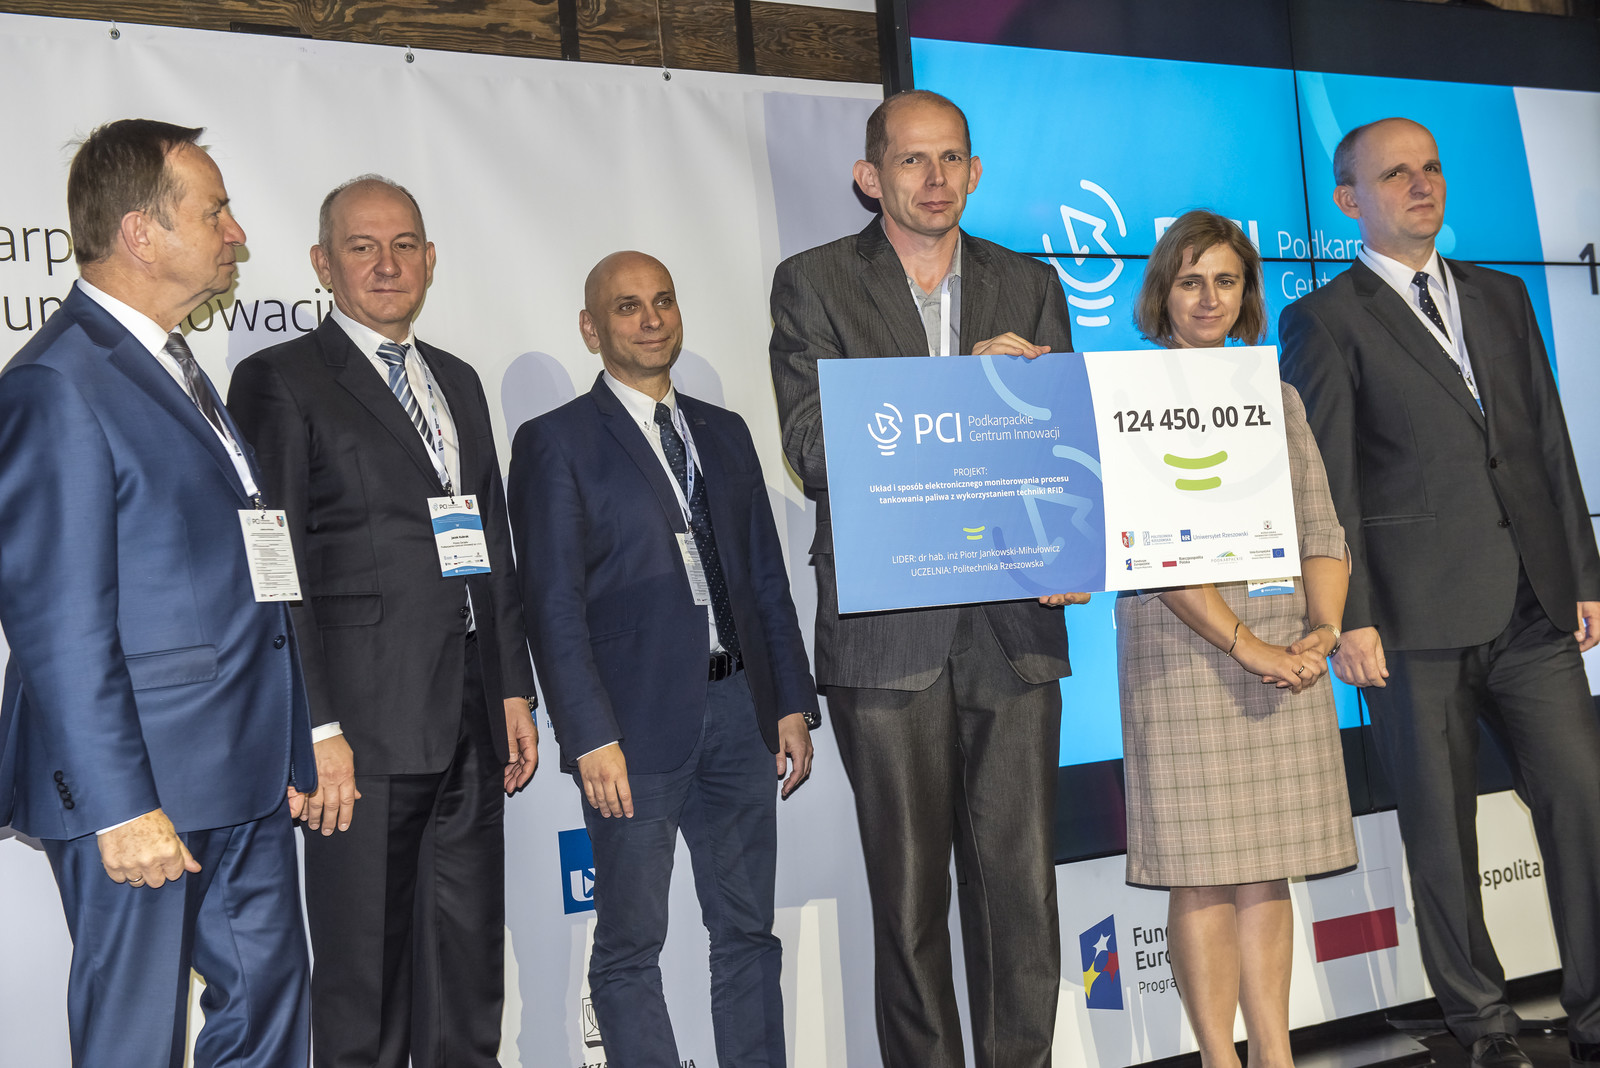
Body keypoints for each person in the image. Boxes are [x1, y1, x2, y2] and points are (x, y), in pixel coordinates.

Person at [769, 89, 1086, 1068]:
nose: (935, 177)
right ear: (870, 177)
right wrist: (960, 390)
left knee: (1021, 890)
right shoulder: (813, 281)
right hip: (886, 631)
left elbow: (1053, 447)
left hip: (1014, 625)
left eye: (951, 158)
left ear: (976, 172)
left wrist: (1068, 544)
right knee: (908, 901)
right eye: (912, 159)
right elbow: (811, 445)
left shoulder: (1028, 282)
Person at [1280, 117, 1600, 1068]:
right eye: (1396, 174)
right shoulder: (1324, 319)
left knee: (1584, 804)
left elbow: (1547, 440)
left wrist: (1584, 572)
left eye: (1430, 167)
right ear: (1349, 200)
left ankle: (1594, 1012)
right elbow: (1326, 483)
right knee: (1441, 835)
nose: (1422, 184)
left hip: (1534, 605)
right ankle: (1484, 1024)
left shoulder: (1502, 295)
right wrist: (1348, 617)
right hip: (1410, 624)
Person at [0, 119, 316, 1066]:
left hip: (242, 770)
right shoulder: (57, 381)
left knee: (269, 1022)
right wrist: (118, 806)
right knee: (134, 1043)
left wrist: (291, 735)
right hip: (143, 792)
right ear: (141, 233)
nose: (236, 233)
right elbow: (57, 620)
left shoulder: (171, 364)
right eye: (215, 211)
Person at [227, 175, 538, 1068]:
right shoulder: (279, 380)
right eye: (361, 247)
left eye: (404, 245)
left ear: (431, 260)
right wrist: (314, 725)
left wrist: (512, 686)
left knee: (468, 976)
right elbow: (273, 568)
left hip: (471, 718)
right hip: (359, 734)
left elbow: (491, 541)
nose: (387, 264)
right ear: (323, 264)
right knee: (365, 987)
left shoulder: (458, 381)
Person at [510, 251, 817, 1068]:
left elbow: (765, 580)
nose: (651, 320)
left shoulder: (724, 431)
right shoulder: (555, 442)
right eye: (627, 306)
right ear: (591, 328)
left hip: (741, 714)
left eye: (663, 301)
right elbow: (552, 606)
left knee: (748, 932)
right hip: (630, 731)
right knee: (630, 946)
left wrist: (790, 700)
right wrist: (588, 736)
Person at [1117, 211, 1356, 1068]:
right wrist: (1249, 647)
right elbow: (1154, 550)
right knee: (1203, 869)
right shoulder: (1132, 396)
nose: (1209, 298)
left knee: (1266, 865)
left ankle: (1274, 1056)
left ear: (1247, 294)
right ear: (1163, 293)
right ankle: (1222, 1059)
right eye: (1190, 281)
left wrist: (1322, 630)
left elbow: (1322, 529)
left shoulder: (1279, 398)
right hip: (1183, 655)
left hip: (1286, 648)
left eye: (1225, 280)